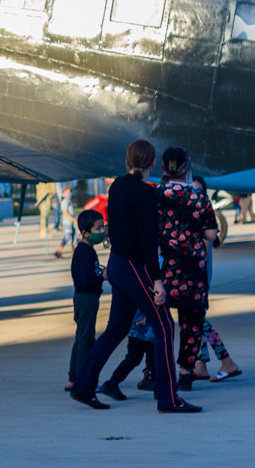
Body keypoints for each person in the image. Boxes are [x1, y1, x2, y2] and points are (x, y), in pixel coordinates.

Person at [70, 139, 198, 412]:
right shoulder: (145, 193)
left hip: (117, 263)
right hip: (132, 266)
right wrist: (158, 280)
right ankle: (169, 399)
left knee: (115, 330)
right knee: (164, 327)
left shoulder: (116, 185)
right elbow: (147, 240)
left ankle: (83, 387)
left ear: (129, 161)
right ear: (152, 163)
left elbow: (116, 229)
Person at [156, 147, 218, 391]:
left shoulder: (155, 195)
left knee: (159, 321)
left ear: (163, 168)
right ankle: (185, 373)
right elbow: (211, 234)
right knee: (191, 322)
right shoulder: (199, 197)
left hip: (165, 266)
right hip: (193, 268)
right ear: (187, 168)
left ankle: (157, 370)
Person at [66, 209, 105, 391]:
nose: (102, 231)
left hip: (85, 298)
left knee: (81, 337)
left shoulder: (87, 250)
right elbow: (88, 279)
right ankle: (83, 380)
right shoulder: (84, 252)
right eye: (99, 228)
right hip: (86, 299)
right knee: (86, 339)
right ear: (85, 232)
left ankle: (73, 379)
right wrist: (103, 276)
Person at [99, 312, 156, 400]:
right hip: (144, 325)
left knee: (134, 357)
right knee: (153, 356)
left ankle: (112, 383)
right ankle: (160, 389)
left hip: (140, 325)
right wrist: (140, 315)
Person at [53, 184, 77, 258]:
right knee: (67, 237)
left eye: (69, 193)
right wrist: (74, 219)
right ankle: (58, 251)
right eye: (67, 193)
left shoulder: (69, 202)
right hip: (67, 223)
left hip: (71, 222)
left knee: (74, 237)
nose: (69, 194)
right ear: (63, 194)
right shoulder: (64, 202)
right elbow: (66, 213)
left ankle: (73, 253)